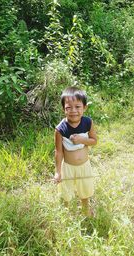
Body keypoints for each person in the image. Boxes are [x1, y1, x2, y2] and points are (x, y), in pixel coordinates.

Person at [54, 86, 97, 216]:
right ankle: (66, 212)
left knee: (85, 189)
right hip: (68, 167)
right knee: (66, 192)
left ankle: (85, 209)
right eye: (68, 107)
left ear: (84, 107)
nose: (73, 111)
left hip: (84, 166)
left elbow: (94, 141)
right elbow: (58, 151)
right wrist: (58, 172)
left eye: (78, 107)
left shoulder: (88, 122)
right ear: (63, 109)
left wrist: (81, 140)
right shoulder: (60, 129)